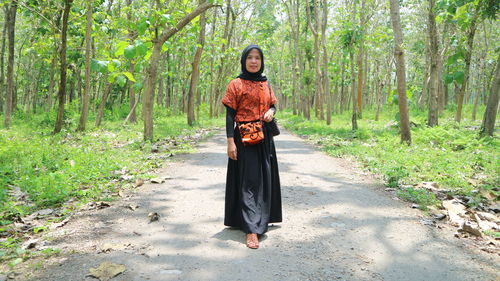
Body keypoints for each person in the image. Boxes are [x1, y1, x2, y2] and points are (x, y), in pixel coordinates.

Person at [221, 45, 282, 249]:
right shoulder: (236, 84)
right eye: (250, 57)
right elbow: (230, 115)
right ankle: (251, 229)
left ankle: (263, 217)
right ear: (244, 60)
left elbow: (273, 104)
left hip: (264, 138)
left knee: (264, 179)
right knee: (248, 182)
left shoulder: (266, 83)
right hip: (243, 139)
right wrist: (231, 142)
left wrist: (271, 112)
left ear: (262, 61)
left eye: (257, 58)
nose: (254, 61)